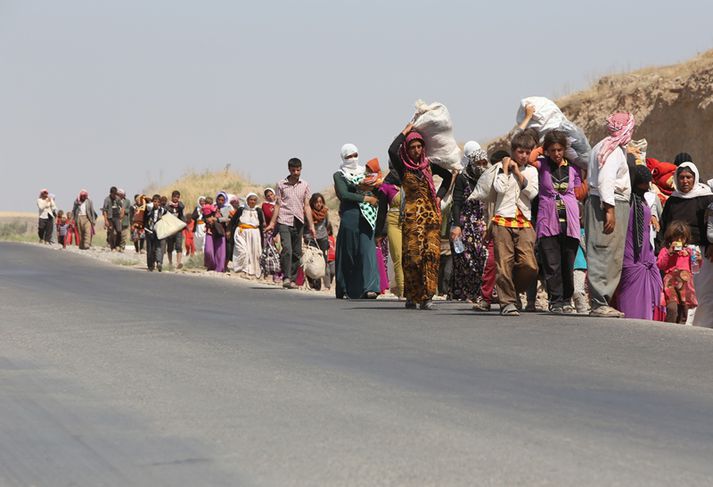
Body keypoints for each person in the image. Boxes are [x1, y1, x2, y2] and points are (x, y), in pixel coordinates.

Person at [388, 123, 453, 310]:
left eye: (419, 146)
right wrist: (405, 131)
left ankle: (427, 296)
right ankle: (412, 294)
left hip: (431, 216)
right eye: (412, 147)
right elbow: (392, 150)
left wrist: (439, 196)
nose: (416, 150)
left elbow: (448, 177)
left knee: (431, 255)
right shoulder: (403, 168)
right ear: (407, 149)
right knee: (412, 257)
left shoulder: (429, 165)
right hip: (411, 217)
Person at [585, 112, 635, 318]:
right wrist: (610, 211)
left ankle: (602, 301)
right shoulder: (611, 151)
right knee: (603, 250)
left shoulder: (607, 147)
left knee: (609, 252)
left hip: (608, 203)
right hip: (607, 204)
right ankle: (599, 302)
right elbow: (606, 180)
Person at [489, 133, 539, 316]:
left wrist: (518, 173)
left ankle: (513, 290)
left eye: (527, 152)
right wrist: (505, 169)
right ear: (513, 151)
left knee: (530, 265)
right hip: (503, 219)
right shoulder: (500, 169)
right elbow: (499, 188)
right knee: (504, 263)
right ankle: (507, 302)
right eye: (520, 152)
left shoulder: (532, 172)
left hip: (524, 221)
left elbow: (532, 193)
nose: (524, 156)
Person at [660, 162, 713, 326]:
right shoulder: (672, 201)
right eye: (681, 177)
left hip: (700, 252)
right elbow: (665, 225)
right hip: (677, 254)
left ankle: (703, 325)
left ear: (695, 178)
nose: (685, 181)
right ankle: (684, 325)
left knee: (701, 290)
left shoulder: (705, 198)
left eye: (688, 177)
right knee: (682, 290)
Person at [535, 131, 582, 314]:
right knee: (551, 264)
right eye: (553, 150)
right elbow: (531, 159)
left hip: (569, 223)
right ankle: (555, 300)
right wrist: (541, 149)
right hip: (548, 222)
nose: (556, 154)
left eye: (560, 150)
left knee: (567, 264)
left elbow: (578, 189)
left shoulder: (573, 169)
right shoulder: (543, 165)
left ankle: (566, 299)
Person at [333, 144, 381, 299]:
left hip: (368, 216)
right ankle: (346, 288)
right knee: (349, 251)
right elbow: (344, 194)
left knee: (368, 251)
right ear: (343, 158)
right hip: (350, 216)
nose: (352, 159)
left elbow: (377, 188)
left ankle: (370, 287)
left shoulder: (366, 172)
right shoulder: (339, 175)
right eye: (348, 157)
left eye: (355, 155)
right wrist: (365, 197)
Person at [615, 165, 663, 320]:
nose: (647, 187)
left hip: (646, 254)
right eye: (643, 184)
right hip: (630, 255)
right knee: (631, 294)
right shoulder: (626, 200)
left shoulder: (644, 199)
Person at [265, 158, 316, 289]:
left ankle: (293, 279)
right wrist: (272, 223)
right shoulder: (281, 184)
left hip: (298, 221)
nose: (296, 172)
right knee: (287, 248)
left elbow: (307, 206)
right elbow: (277, 205)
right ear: (289, 169)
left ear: (301, 169)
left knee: (297, 252)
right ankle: (286, 277)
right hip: (284, 220)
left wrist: (311, 226)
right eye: (293, 170)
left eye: (298, 170)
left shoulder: (305, 185)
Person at [449, 141, 490, 303]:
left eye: (483, 163)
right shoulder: (462, 178)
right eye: (477, 163)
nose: (481, 166)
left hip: (481, 224)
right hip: (465, 224)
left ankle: (479, 293)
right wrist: (457, 225)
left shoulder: (486, 179)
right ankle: (467, 293)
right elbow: (456, 203)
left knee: (481, 259)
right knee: (465, 260)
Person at [658, 221, 698, 323]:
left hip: (685, 285)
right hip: (671, 284)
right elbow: (660, 265)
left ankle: (679, 332)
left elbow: (695, 269)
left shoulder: (689, 252)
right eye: (676, 238)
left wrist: (698, 259)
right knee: (672, 308)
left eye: (682, 238)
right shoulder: (665, 250)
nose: (679, 240)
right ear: (671, 238)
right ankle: (669, 328)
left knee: (684, 310)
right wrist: (669, 253)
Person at [231, 193, 265, 277]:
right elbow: (233, 221)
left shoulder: (258, 210)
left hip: (254, 233)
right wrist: (229, 231)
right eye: (251, 199)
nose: (252, 201)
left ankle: (251, 271)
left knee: (254, 252)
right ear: (247, 200)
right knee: (243, 250)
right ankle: (242, 268)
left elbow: (261, 223)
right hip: (242, 232)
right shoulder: (241, 209)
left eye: (254, 200)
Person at [308, 192, 331, 290]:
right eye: (316, 202)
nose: (319, 204)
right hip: (311, 239)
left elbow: (327, 226)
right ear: (312, 203)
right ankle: (315, 284)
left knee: (324, 262)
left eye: (320, 202)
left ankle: (327, 285)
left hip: (323, 239)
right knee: (313, 262)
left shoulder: (325, 213)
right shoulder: (308, 213)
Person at [204, 193, 228, 272]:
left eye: (222, 200)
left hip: (220, 231)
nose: (220, 201)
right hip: (211, 230)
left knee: (220, 252)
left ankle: (219, 268)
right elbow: (204, 215)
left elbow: (227, 219)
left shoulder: (226, 209)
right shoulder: (212, 206)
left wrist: (217, 219)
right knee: (208, 250)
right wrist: (207, 219)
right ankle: (211, 266)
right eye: (219, 199)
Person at [143, 194, 167, 271]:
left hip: (158, 232)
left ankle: (159, 262)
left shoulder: (162, 210)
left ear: (160, 203)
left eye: (158, 202)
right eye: (154, 201)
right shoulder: (149, 209)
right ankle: (150, 265)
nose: (156, 203)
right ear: (152, 202)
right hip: (149, 231)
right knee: (150, 249)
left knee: (159, 247)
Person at [165, 190, 186, 269]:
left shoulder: (180, 205)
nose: (176, 199)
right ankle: (170, 262)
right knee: (170, 247)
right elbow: (164, 210)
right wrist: (170, 205)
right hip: (170, 229)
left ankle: (178, 263)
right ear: (172, 197)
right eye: (175, 197)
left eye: (177, 197)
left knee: (179, 246)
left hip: (178, 229)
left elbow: (182, 206)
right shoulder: (168, 205)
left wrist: (176, 205)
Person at [102, 187, 123, 251]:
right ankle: (112, 247)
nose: (114, 195)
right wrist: (106, 220)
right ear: (110, 193)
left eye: (115, 194)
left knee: (119, 231)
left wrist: (121, 216)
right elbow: (105, 210)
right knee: (111, 232)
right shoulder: (107, 199)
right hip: (110, 218)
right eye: (113, 194)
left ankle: (117, 245)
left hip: (117, 217)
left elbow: (122, 207)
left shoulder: (118, 199)